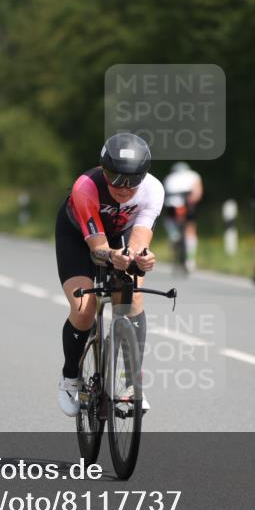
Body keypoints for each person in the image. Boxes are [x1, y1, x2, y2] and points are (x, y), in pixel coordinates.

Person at [54, 132, 162, 417]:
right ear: (104, 170)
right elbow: (97, 248)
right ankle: (70, 379)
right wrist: (114, 256)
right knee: (84, 306)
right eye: (115, 178)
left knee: (132, 296)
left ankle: (130, 384)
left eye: (133, 180)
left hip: (120, 235)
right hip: (79, 237)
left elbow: (139, 238)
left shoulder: (153, 190)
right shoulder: (86, 187)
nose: (124, 188)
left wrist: (139, 257)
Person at [163, 161, 204, 271]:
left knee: (172, 226)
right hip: (187, 205)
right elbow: (198, 193)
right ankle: (190, 260)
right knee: (191, 230)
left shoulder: (169, 178)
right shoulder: (194, 175)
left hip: (172, 206)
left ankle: (174, 238)